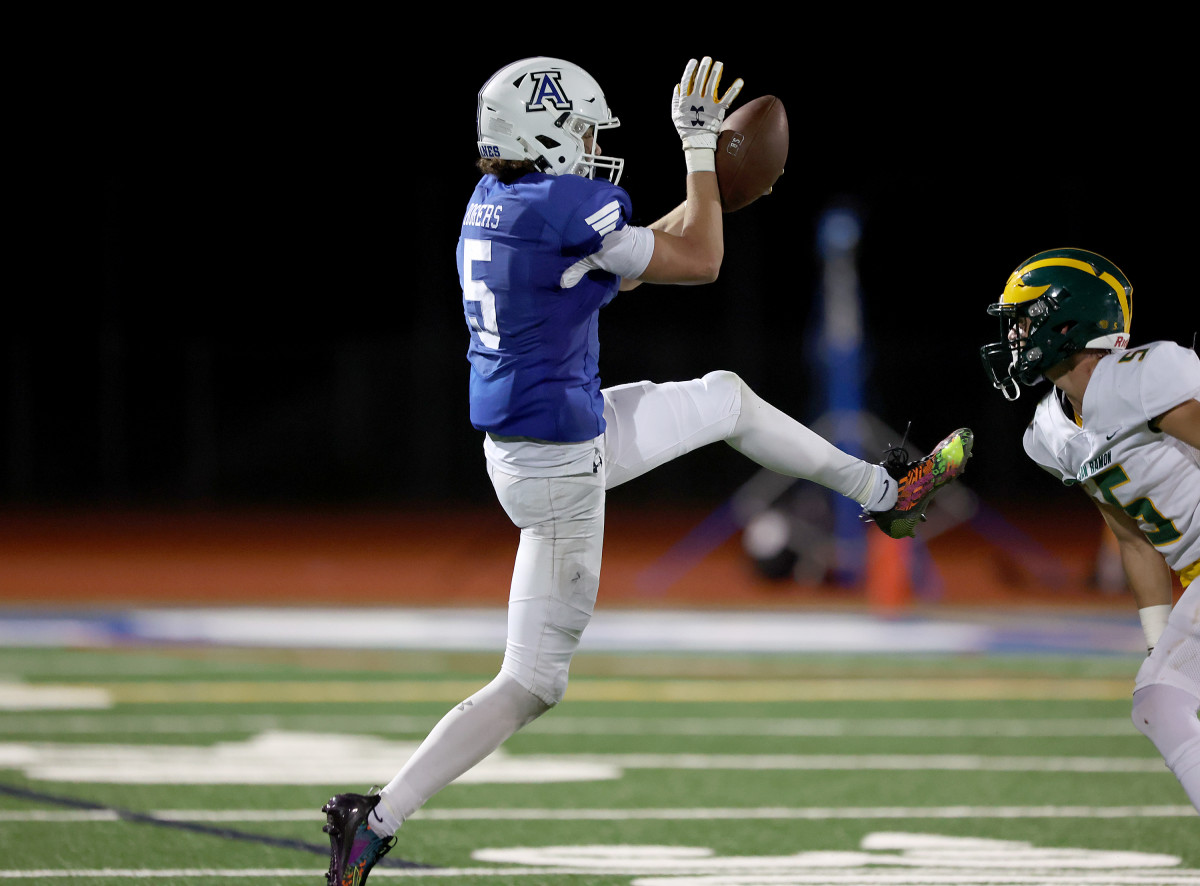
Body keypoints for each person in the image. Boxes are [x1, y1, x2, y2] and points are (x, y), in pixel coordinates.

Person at [320, 55, 973, 884]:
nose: (592, 146)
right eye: (584, 130)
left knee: (727, 399)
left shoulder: (497, 205)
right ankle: (375, 819)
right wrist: (700, 154)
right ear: (546, 130)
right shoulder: (558, 208)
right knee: (531, 682)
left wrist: (702, 184)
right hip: (560, 466)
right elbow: (700, 260)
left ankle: (888, 492)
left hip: (549, 439)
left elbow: (636, 260)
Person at [980, 247, 1200, 813]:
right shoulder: (1048, 434)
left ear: (1067, 319)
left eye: (1024, 319)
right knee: (1158, 699)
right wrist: (1159, 640)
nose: (1014, 336)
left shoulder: (1144, 376)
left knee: (1163, 700)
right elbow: (1131, 535)